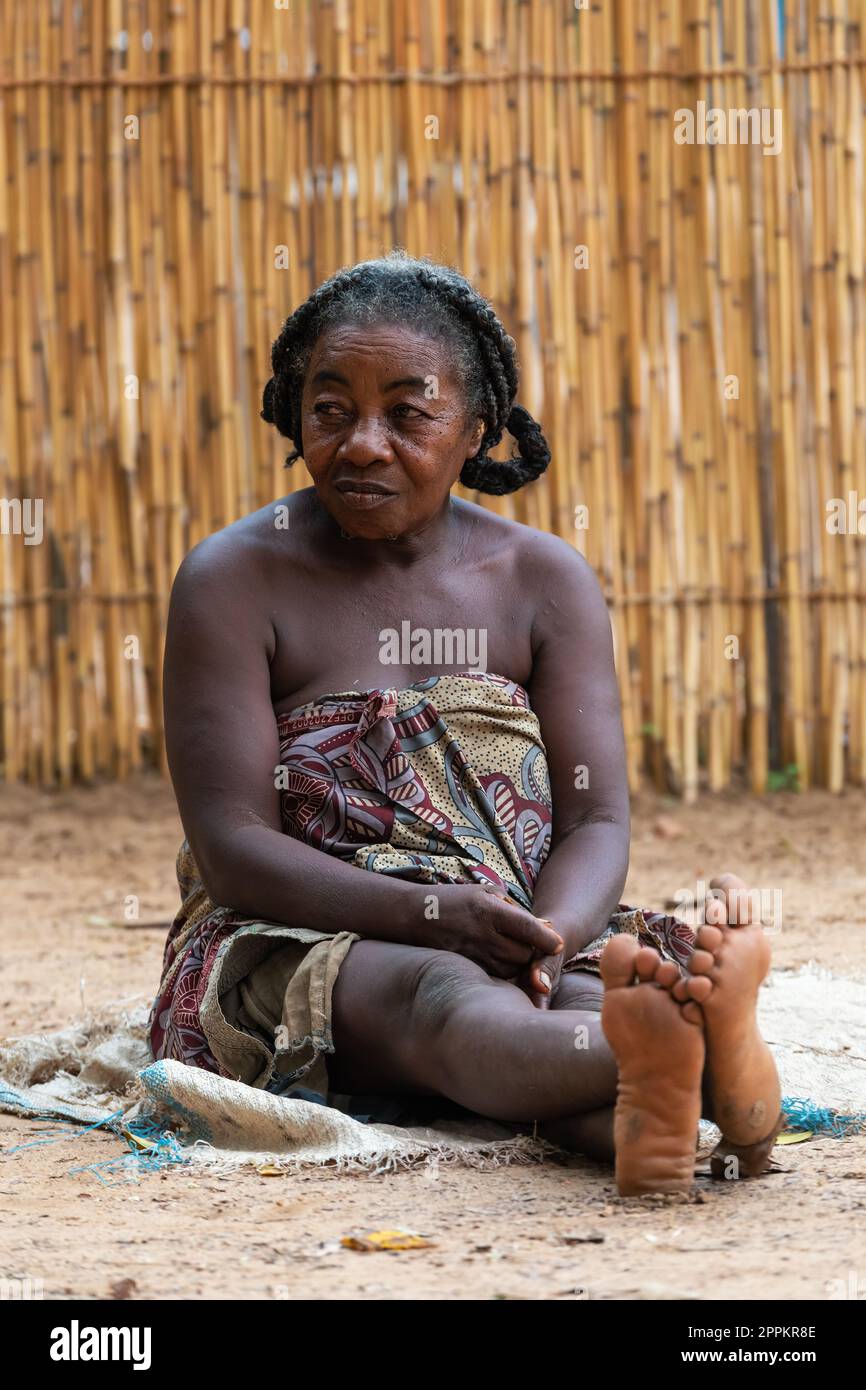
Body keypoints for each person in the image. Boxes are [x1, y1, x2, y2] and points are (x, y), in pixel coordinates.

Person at [149, 250, 782, 1195]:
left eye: (408, 414)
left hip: (516, 917)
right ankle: (692, 1068)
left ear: (476, 427)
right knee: (436, 994)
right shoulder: (234, 580)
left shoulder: (543, 581)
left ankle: (654, 1078)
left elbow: (596, 819)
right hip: (304, 931)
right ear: (292, 414)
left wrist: (551, 937)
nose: (364, 443)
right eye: (331, 409)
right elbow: (237, 845)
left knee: (598, 980)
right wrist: (432, 916)